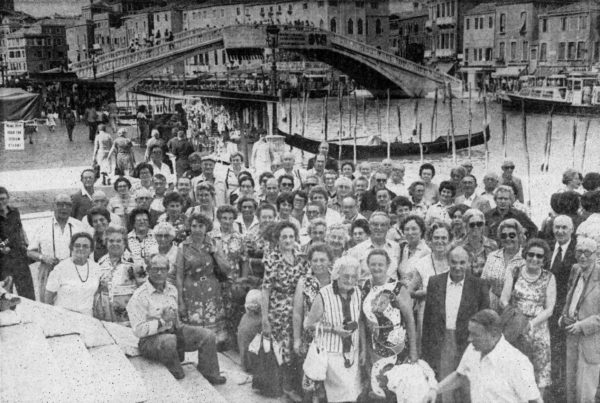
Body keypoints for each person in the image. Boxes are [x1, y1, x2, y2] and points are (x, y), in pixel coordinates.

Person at [126, 254, 226, 383]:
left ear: (168, 271)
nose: (159, 273)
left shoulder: (172, 289)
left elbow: (176, 319)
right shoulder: (139, 296)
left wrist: (182, 334)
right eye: (155, 269)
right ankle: (174, 371)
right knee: (171, 345)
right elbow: (138, 330)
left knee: (207, 335)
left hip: (172, 333)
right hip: (150, 341)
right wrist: (162, 321)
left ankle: (210, 373)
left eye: (163, 269)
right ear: (148, 270)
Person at [424, 309, 542, 403]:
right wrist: (435, 390)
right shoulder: (473, 349)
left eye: (475, 335)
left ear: (494, 334)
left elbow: (534, 400)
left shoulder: (517, 362)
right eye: (469, 333)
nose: (469, 339)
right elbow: (461, 375)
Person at [422, 246, 490, 403]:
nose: (458, 266)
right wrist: (425, 351)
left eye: (462, 262)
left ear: (468, 263)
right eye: (454, 262)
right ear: (448, 261)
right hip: (442, 340)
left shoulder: (479, 285)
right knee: (444, 385)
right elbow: (428, 320)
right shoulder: (435, 282)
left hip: (469, 342)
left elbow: (485, 317)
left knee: (466, 385)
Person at [304, 255, 365, 403]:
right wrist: (333, 329)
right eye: (346, 276)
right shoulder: (324, 294)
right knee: (336, 396)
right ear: (337, 274)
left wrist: (363, 350)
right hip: (331, 355)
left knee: (351, 394)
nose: (349, 280)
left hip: (352, 353)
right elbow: (308, 325)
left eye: (353, 276)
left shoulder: (358, 292)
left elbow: (360, 322)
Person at [500, 238, 556, 394]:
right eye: (531, 254)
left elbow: (550, 308)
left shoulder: (549, 277)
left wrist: (530, 324)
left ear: (544, 259)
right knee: (514, 371)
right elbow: (503, 299)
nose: (534, 259)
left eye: (539, 256)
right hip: (515, 329)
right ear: (525, 254)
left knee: (540, 373)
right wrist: (517, 319)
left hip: (538, 331)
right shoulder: (514, 271)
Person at [261, 222, 309, 400]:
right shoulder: (273, 259)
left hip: (298, 307)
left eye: (291, 236)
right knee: (282, 347)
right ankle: (283, 386)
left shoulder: (301, 257)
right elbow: (265, 290)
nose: (288, 240)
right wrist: (265, 318)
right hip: (279, 309)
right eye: (284, 237)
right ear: (278, 239)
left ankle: (295, 384)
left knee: (296, 345)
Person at [176, 214, 231, 347]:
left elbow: (226, 269)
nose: (197, 229)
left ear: (207, 228)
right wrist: (180, 301)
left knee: (214, 329)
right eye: (194, 226)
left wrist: (215, 253)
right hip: (191, 290)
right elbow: (179, 275)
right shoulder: (183, 247)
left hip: (211, 289)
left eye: (201, 226)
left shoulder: (214, 243)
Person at [560, 237, 600, 403]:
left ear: (596, 254)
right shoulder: (576, 269)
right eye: (579, 252)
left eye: (587, 253)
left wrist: (582, 325)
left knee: (585, 392)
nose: (582, 256)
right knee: (571, 386)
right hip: (572, 336)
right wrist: (564, 315)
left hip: (590, 340)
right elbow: (570, 296)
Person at [362, 249, 418, 367]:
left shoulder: (397, 288)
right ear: (368, 265)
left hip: (396, 346)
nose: (376, 268)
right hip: (372, 347)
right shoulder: (365, 286)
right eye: (373, 264)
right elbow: (361, 320)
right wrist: (363, 348)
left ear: (388, 265)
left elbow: (410, 320)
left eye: (380, 264)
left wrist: (413, 351)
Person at [292, 243, 333, 400]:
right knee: (309, 381)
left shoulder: (336, 280)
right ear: (309, 262)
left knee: (329, 382)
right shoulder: (304, 281)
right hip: (310, 338)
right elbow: (297, 313)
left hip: (332, 337)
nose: (318, 264)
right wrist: (297, 339)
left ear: (330, 261)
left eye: (322, 260)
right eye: (314, 260)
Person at [27, 194, 84, 302]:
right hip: (48, 270)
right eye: (60, 204)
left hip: (73, 270)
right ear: (53, 206)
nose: (64, 208)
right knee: (48, 305)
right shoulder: (42, 225)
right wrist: (43, 257)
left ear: (71, 207)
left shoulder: (79, 226)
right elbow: (30, 252)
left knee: (73, 304)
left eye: (68, 205)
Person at [548, 215, 577, 401]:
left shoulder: (576, 251)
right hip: (548, 309)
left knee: (567, 355)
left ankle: (565, 393)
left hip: (566, 310)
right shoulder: (548, 248)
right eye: (557, 227)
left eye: (564, 228)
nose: (560, 231)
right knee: (552, 352)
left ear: (572, 230)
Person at [45, 232, 103, 316]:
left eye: (85, 246)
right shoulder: (61, 268)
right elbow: (48, 295)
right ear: (71, 247)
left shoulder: (96, 268)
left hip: (86, 317)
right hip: (63, 316)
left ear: (91, 250)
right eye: (77, 245)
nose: (81, 248)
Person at [94, 225, 144, 322]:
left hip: (128, 316)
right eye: (111, 241)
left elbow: (144, 288)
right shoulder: (101, 262)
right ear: (106, 243)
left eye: (118, 241)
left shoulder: (135, 263)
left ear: (124, 243)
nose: (115, 244)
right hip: (105, 315)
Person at [480, 218, 526, 312]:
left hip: (517, 310)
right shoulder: (492, 256)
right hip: (492, 308)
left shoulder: (526, 258)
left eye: (512, 235)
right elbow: (483, 283)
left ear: (519, 236)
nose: (508, 238)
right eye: (504, 236)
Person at [0, 187, 35, 300]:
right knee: (6, 295)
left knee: (27, 293)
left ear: (8, 198)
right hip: (3, 260)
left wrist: (25, 243)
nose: (1, 202)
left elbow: (20, 229)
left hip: (19, 257)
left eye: (3, 199)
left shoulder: (15, 212)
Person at [347, 212, 400, 283]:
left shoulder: (396, 247)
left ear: (388, 227)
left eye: (383, 225)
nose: (379, 228)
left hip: (392, 291)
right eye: (375, 224)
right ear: (369, 227)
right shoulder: (357, 250)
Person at [458, 209, 498, 277]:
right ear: (465, 226)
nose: (476, 227)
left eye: (479, 224)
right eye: (472, 224)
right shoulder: (458, 246)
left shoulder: (492, 245)